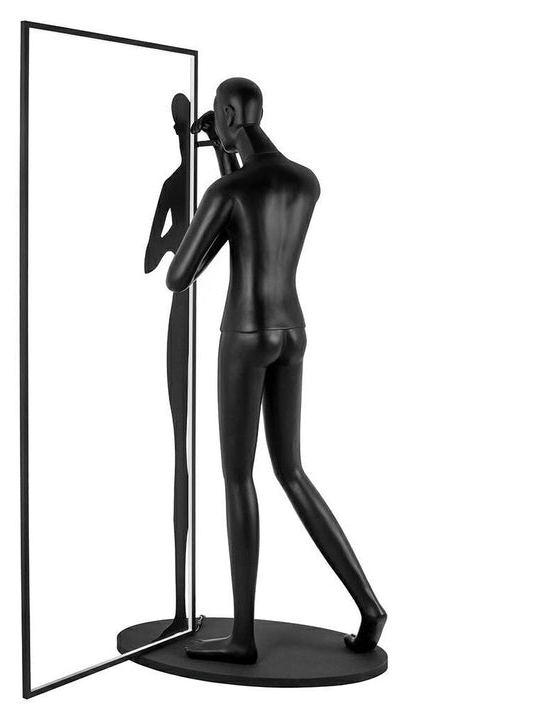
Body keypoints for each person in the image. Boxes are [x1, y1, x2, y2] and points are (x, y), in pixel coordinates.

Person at [166, 78, 386, 663]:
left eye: (218, 117)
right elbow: (253, 215)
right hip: (293, 331)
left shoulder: (226, 189)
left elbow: (179, 275)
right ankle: (369, 607)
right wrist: (223, 160)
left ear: (227, 115)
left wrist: (215, 188)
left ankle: (242, 639)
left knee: (238, 477)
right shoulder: (305, 181)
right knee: (292, 470)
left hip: (245, 335)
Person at [144, 93, 191, 637]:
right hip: (185, 313)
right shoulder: (176, 185)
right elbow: (150, 257)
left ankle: (189, 607)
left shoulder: (216, 182)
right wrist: (181, 236)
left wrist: (181, 239)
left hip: (217, 317)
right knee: (182, 449)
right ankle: (181, 607)